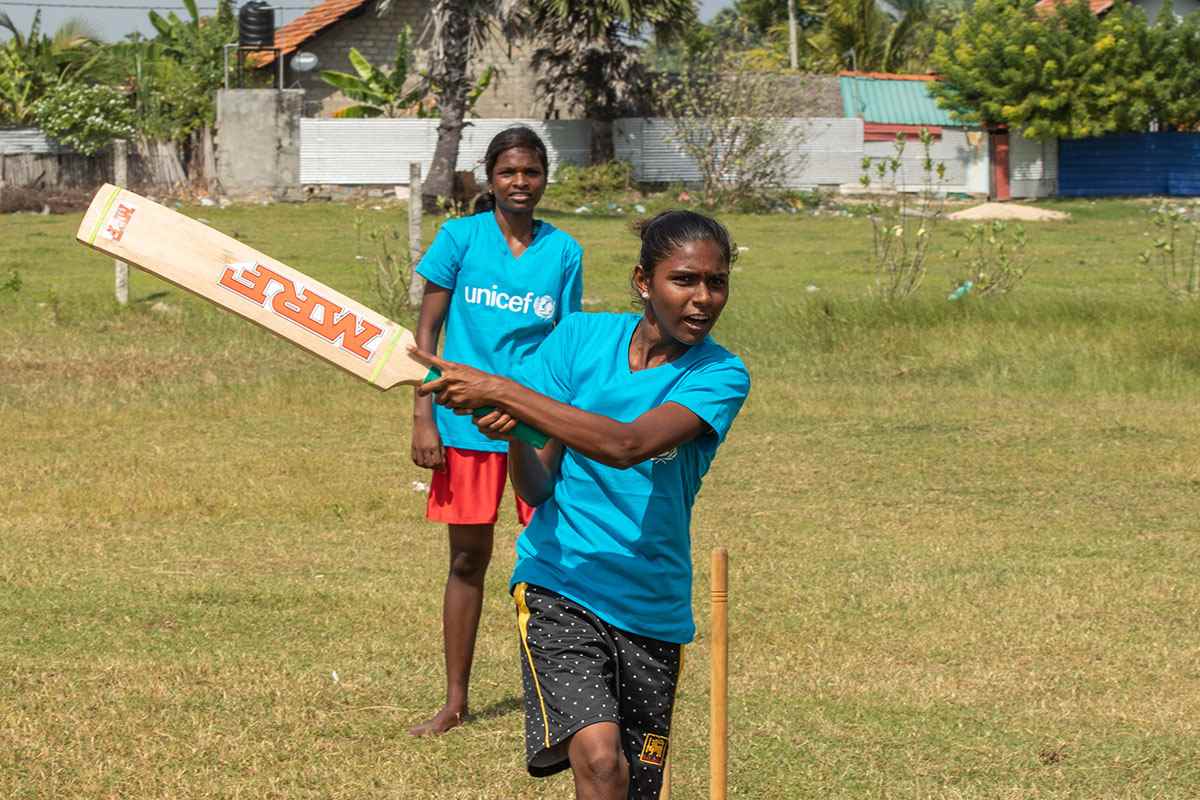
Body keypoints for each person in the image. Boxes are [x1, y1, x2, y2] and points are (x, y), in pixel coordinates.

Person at [411, 210, 750, 799]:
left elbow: (628, 444)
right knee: (598, 760)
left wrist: (503, 390)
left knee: (634, 784)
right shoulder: (578, 340)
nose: (703, 299)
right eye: (685, 280)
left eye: (715, 283)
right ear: (644, 280)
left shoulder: (721, 374)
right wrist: (514, 429)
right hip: (559, 581)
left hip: (651, 603)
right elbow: (537, 490)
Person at [408, 126, 584, 737]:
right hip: (463, 429)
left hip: (533, 429)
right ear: (489, 178)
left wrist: (558, 429)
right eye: (508, 172)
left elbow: (567, 346)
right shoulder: (459, 237)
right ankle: (455, 700)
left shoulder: (564, 252)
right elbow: (424, 337)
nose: (519, 184)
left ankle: (560, 702)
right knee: (467, 559)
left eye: (531, 173)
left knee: (551, 565)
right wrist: (424, 415)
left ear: (544, 179)